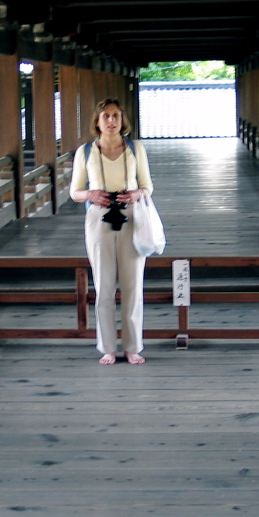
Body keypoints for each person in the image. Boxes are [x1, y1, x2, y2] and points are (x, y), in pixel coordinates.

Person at [70, 98, 154, 365]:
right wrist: (90, 194)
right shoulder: (85, 152)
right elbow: (74, 192)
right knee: (104, 285)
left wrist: (138, 193)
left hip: (133, 216)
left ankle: (132, 346)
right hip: (98, 218)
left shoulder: (135, 148)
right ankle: (107, 346)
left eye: (116, 115)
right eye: (105, 115)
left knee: (132, 285)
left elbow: (148, 185)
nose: (111, 120)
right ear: (97, 121)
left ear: (122, 120)